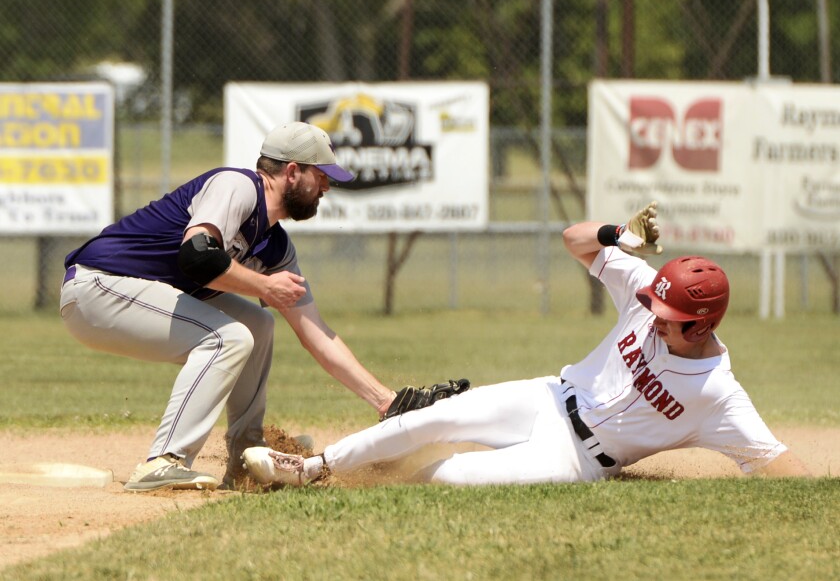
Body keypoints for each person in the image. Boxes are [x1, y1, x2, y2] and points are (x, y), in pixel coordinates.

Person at [242, 202, 812, 486]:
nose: (654, 316)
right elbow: (573, 242)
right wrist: (618, 235)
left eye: (670, 315)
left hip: (577, 458)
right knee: (432, 419)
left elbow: (773, 463)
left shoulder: (718, 394)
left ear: (703, 325)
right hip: (547, 395)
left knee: (448, 479)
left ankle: (380, 475)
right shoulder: (644, 288)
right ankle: (312, 467)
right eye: (655, 304)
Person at [59, 121, 397, 492]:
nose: (327, 187)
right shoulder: (236, 185)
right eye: (321, 175)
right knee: (228, 338)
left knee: (258, 326)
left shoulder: (275, 246)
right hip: (98, 286)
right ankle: (164, 461)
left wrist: (384, 400)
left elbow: (317, 334)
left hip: (135, 295)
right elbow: (198, 255)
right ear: (292, 172)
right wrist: (265, 285)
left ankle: (245, 459)